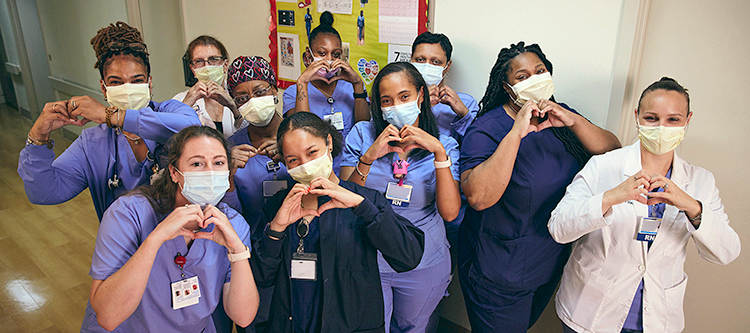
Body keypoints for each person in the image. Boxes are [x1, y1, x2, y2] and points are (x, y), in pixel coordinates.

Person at [548, 77, 741, 333]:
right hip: (590, 311)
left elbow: (726, 252)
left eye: (673, 119)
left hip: (656, 316)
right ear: (637, 117)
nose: (662, 127)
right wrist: (610, 197)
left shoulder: (700, 181)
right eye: (652, 118)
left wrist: (693, 208)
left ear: (687, 120)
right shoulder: (603, 166)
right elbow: (558, 228)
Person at [457, 41, 621, 332]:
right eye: (522, 77)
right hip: (498, 271)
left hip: (548, 261)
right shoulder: (487, 128)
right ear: (507, 88)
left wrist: (574, 121)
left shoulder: (560, 116)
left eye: (540, 71)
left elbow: (611, 150)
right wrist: (516, 133)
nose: (534, 79)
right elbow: (478, 197)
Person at [250, 112, 425, 332]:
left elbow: (409, 256)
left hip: (350, 324)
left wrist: (364, 208)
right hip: (291, 323)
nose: (306, 165)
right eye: (293, 160)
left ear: (328, 143)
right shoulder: (278, 206)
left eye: (312, 152)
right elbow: (261, 277)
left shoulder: (364, 200)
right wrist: (276, 229)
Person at [80, 126, 259, 332]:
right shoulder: (129, 213)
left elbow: (243, 317)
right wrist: (155, 239)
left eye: (218, 163)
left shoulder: (233, 225)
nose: (210, 172)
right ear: (174, 172)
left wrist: (238, 251)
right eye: (197, 163)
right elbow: (108, 316)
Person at [17, 21, 200, 221]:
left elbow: (192, 130)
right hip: (126, 243)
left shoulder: (170, 111)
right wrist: (38, 136)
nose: (128, 88)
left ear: (149, 83)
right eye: (116, 82)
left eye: (137, 80)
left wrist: (113, 116)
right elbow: (46, 192)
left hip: (184, 240)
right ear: (104, 89)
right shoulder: (92, 143)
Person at [339, 62, 459, 333]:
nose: (396, 106)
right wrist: (369, 156)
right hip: (369, 255)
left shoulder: (445, 144)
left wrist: (439, 154)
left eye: (404, 97)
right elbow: (344, 201)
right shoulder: (361, 134)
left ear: (420, 96)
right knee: (371, 327)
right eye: (387, 100)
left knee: (412, 327)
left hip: (423, 259)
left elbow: (450, 212)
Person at [223, 55, 292, 333]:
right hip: (256, 248)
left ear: (274, 90)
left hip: (300, 245)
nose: (252, 101)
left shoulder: (299, 133)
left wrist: (292, 156)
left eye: (260, 92)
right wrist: (227, 174)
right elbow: (231, 213)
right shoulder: (230, 148)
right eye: (241, 98)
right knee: (258, 319)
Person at [282, 11, 370, 174]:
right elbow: (301, 132)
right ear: (309, 54)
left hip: (349, 168)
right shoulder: (293, 92)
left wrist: (358, 83)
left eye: (335, 55)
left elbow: (363, 128)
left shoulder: (351, 88)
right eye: (322, 53)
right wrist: (303, 82)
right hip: (313, 171)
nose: (329, 60)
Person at [173, 35, 245, 138]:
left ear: (225, 65)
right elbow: (169, 140)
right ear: (193, 69)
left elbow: (254, 133)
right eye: (199, 61)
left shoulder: (241, 96)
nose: (207, 66)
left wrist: (233, 107)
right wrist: (187, 104)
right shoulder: (180, 100)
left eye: (213, 59)